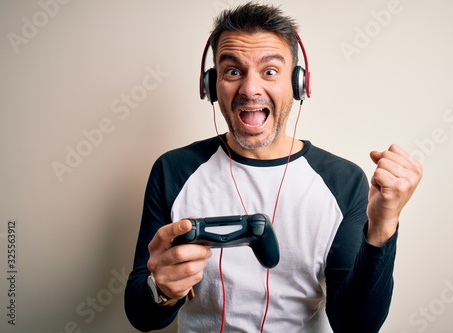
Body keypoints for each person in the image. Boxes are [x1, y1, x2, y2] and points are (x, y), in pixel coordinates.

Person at [124, 2, 422, 332]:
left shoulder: (343, 181)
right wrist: (162, 288)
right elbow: (142, 316)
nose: (250, 89)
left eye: (269, 71)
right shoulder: (174, 170)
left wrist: (382, 228)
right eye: (233, 71)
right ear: (211, 86)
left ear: (298, 85)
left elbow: (355, 326)